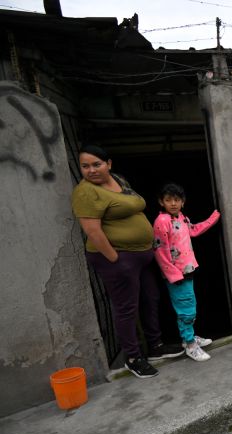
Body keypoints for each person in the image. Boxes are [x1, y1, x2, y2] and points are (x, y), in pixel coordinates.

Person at [71, 145, 183, 379]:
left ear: (108, 164)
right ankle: (133, 358)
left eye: (96, 164)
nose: (91, 170)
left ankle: (155, 347)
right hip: (118, 257)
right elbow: (92, 231)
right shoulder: (86, 192)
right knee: (126, 308)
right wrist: (115, 259)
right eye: (85, 166)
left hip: (142, 256)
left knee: (150, 298)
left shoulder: (118, 180)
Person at [153, 183, 221, 362]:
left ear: (182, 202)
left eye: (177, 200)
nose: (173, 203)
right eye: (168, 200)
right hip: (176, 275)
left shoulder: (181, 218)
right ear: (161, 202)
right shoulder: (162, 221)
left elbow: (194, 230)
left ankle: (189, 337)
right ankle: (190, 345)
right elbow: (160, 250)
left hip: (188, 269)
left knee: (189, 306)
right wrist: (173, 275)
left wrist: (214, 217)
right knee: (186, 310)